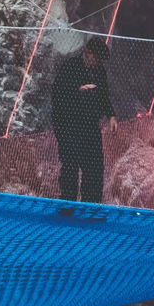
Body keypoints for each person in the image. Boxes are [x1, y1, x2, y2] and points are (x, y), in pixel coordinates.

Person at [51, 36, 117, 203]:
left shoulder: (99, 71)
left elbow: (104, 95)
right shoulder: (70, 67)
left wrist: (111, 115)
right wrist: (79, 90)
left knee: (94, 167)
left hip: (90, 126)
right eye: (97, 58)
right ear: (88, 52)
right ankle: (68, 204)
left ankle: (91, 204)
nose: (98, 63)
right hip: (69, 126)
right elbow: (57, 95)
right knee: (70, 167)